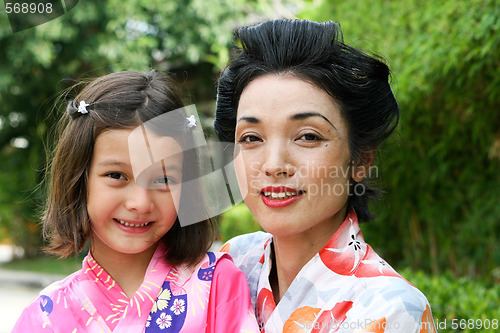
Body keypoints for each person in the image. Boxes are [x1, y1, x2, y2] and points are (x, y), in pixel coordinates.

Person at [215, 19, 437, 332]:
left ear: (361, 158)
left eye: (307, 136)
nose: (274, 164)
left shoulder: (390, 310)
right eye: (251, 137)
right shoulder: (233, 262)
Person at [13, 70, 259, 332]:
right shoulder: (44, 317)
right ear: (78, 179)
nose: (140, 203)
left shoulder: (219, 284)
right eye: (116, 175)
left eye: (164, 180)